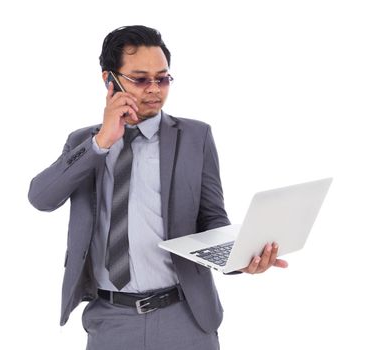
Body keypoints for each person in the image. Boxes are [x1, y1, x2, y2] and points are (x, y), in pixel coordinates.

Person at [28, 25, 287, 350]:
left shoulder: (196, 137)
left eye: (162, 78)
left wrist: (239, 258)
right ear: (110, 80)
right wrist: (101, 142)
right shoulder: (84, 143)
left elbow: (213, 219)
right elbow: (41, 197)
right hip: (111, 320)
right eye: (140, 79)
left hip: (186, 317)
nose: (154, 89)